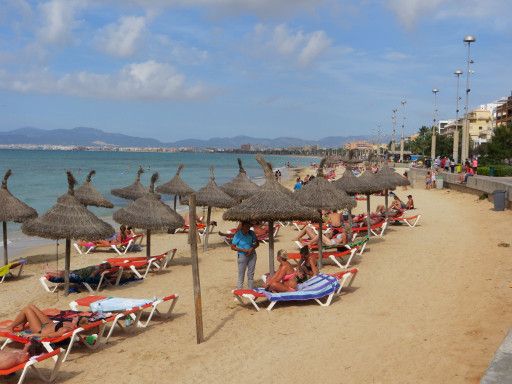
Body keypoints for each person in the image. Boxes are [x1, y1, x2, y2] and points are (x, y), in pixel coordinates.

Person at [0, 304, 86, 339]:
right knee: (31, 306)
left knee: (27, 310)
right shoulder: (72, 324)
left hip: (40, 329)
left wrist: (34, 334)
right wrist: (74, 322)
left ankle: (10, 327)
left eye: (77, 317)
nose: (75, 316)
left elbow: (49, 335)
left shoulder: (65, 329)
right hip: (49, 324)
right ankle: (21, 324)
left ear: (78, 322)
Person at [231, 222, 259, 289]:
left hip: (252, 255)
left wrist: (251, 248)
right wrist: (244, 250)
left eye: (248, 227)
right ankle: (239, 291)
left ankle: (250, 290)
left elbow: (257, 243)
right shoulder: (238, 235)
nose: (247, 229)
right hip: (242, 256)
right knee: (241, 274)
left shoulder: (252, 233)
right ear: (242, 227)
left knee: (251, 274)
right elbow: (232, 247)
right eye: (246, 227)